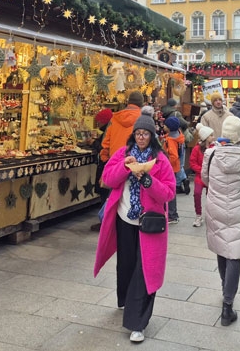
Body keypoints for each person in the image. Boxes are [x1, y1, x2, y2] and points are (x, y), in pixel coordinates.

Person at [93, 114, 176, 343]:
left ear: (151, 137)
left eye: (145, 134)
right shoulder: (123, 154)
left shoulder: (160, 160)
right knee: (127, 265)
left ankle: (137, 322)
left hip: (149, 223)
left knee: (145, 270)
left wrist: (148, 181)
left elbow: (169, 192)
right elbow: (108, 179)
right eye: (138, 133)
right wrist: (127, 168)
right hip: (124, 219)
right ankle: (127, 301)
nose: (141, 137)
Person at [202, 115, 240, 327]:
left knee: (222, 246)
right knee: (235, 254)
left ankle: (225, 288)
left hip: (215, 206)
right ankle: (228, 304)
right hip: (239, 207)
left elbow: (205, 178)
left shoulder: (211, 153)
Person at [100, 91, 143, 163]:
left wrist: (106, 159)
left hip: (115, 161)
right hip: (135, 163)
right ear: (141, 104)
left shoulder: (114, 118)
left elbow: (105, 142)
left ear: (128, 102)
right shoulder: (144, 119)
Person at [90, 108, 114, 231]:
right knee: (105, 194)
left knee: (105, 193)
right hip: (107, 164)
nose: (97, 124)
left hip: (105, 164)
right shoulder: (109, 129)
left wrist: (94, 143)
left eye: (99, 121)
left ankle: (104, 221)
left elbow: (104, 147)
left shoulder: (108, 130)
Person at [189, 123, 215, 227]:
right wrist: (202, 170)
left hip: (210, 176)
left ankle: (210, 215)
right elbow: (192, 162)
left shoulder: (214, 148)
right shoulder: (196, 149)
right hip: (200, 176)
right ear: (206, 137)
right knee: (197, 193)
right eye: (211, 135)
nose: (213, 137)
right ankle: (198, 215)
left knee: (211, 197)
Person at [163, 116, 186, 223]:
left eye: (165, 125)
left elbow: (173, 156)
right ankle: (173, 214)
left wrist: (165, 163)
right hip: (176, 167)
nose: (163, 126)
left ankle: (172, 215)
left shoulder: (170, 140)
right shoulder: (178, 136)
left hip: (170, 168)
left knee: (170, 192)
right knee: (172, 190)